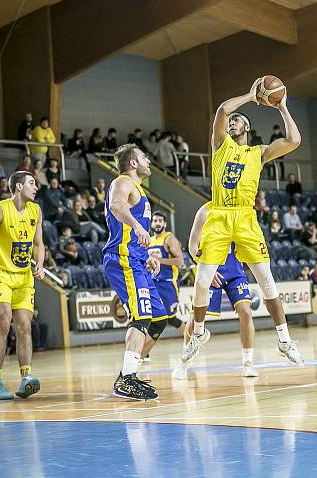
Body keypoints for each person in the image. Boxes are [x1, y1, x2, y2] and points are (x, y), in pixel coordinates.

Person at [181, 78, 304, 367]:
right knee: (200, 281)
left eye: (238, 121)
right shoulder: (220, 146)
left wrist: (282, 108)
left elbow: (294, 141)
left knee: (267, 281)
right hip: (220, 214)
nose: (233, 122)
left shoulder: (258, 153)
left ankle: (285, 340)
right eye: (232, 121)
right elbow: (223, 109)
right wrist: (250, 96)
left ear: (247, 128)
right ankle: (198, 333)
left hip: (246, 217)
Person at [102, 144, 164, 400]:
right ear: (133, 163)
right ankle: (126, 380)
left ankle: (129, 373)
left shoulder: (138, 190)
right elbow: (117, 206)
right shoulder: (122, 182)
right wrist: (139, 227)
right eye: (143, 157)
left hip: (137, 259)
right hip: (123, 259)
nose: (148, 160)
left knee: (159, 319)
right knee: (140, 318)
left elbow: (128, 230)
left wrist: (147, 254)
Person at [0, 171, 46, 400]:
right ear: (18, 186)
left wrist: (41, 264)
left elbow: (39, 244)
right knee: (4, 322)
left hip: (24, 277)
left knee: (24, 325)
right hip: (1, 275)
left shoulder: (36, 211)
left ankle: (26, 376)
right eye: (31, 183)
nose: (36, 187)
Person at [174, 202, 259, 379]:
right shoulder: (205, 210)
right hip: (210, 270)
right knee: (194, 319)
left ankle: (248, 363)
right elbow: (192, 245)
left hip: (235, 271)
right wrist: (203, 267)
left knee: (246, 313)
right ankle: (183, 364)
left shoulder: (241, 209)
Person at [148, 211, 186, 340]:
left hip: (167, 283)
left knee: (171, 318)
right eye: (155, 221)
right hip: (152, 283)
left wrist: (159, 261)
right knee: (149, 316)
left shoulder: (169, 238)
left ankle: (192, 339)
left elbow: (180, 261)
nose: (157, 223)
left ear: (165, 223)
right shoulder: (149, 240)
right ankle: (143, 350)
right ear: (151, 223)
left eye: (160, 220)